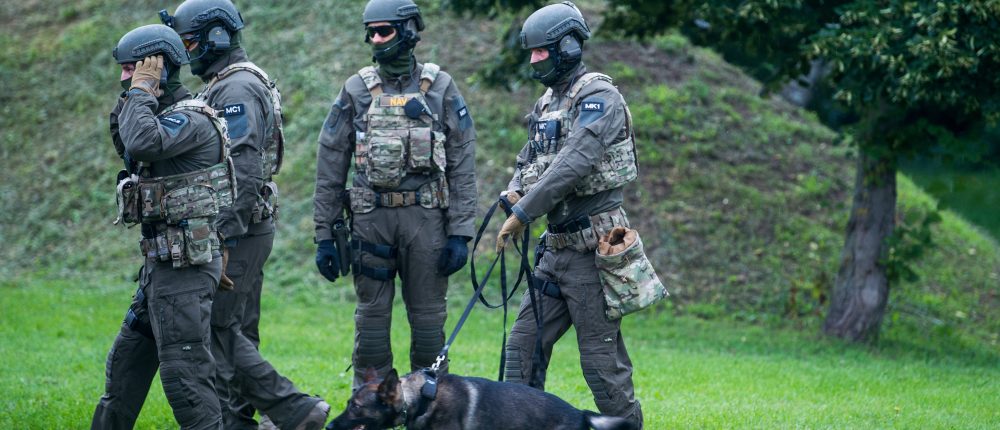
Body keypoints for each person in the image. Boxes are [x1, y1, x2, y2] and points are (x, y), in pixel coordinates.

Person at [161, 1, 331, 428]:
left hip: (237, 229)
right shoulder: (226, 83)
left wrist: (220, 237)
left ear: (216, 37)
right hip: (244, 227)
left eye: (189, 43)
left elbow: (244, 167)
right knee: (232, 330)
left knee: (216, 331)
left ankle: (297, 410)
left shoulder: (236, 89)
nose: (185, 53)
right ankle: (243, 419)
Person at [313, 0, 478, 387]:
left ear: (408, 32)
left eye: (383, 31)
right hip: (371, 222)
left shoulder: (441, 87)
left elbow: (463, 161)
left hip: (426, 223)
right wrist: (325, 234)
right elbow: (330, 162)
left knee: (428, 324)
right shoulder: (355, 89)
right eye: (370, 32)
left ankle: (432, 405)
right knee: (371, 324)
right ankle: (369, 406)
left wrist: (460, 232)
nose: (375, 39)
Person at [495, 2, 644, 428]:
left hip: (592, 251)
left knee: (602, 367)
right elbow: (528, 159)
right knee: (520, 354)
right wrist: (513, 191)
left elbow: (574, 163)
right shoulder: (547, 103)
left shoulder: (599, 97)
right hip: (554, 251)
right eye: (531, 51)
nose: (533, 60)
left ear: (568, 46)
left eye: (541, 51)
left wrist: (523, 212)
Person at [93, 24, 232, 429]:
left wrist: (141, 91)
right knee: (124, 372)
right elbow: (126, 141)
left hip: (183, 275)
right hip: (161, 271)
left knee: (186, 383)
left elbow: (142, 143)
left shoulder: (191, 119)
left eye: (133, 69)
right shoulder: (161, 116)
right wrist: (138, 94)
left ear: (160, 68)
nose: (126, 78)